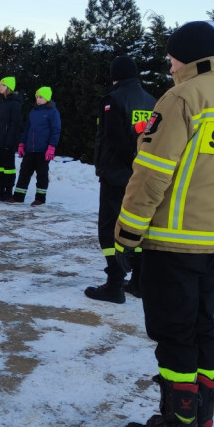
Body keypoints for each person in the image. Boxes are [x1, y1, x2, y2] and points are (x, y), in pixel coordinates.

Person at [115, 21, 214, 427]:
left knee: (174, 333)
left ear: (185, 56)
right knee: (202, 330)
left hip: (171, 241)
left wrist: (128, 231)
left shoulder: (181, 98)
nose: (170, 65)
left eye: (171, 58)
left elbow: (152, 172)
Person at [86, 56, 157, 303]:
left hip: (116, 175)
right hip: (141, 176)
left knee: (110, 229)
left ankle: (114, 284)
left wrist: (129, 164)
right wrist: (140, 167)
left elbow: (115, 140)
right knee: (135, 227)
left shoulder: (112, 100)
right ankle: (138, 281)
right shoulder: (152, 101)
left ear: (115, 75)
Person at [12, 86, 61, 205]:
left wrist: (51, 147)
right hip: (30, 149)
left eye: (41, 97)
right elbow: (27, 129)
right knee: (24, 172)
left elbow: (56, 130)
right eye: (37, 97)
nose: (38, 99)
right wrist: (22, 143)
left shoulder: (53, 112)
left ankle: (40, 199)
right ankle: (18, 197)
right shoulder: (33, 111)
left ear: (47, 98)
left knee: (42, 175)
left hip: (43, 150)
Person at [0, 77, 23, 201]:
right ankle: (0, 190)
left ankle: (8, 191)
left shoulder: (15, 104)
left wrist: (10, 142)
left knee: (8, 168)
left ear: (9, 88)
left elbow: (15, 125)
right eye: (0, 85)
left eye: (3, 85)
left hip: (7, 142)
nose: (1, 87)